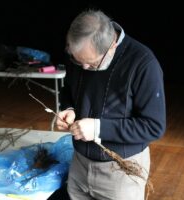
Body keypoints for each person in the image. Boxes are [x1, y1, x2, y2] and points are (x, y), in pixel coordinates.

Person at [56, 9, 166, 200]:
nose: (84, 68)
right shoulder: (82, 55)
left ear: (112, 47)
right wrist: (69, 109)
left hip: (120, 171)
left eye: (91, 64)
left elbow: (154, 126)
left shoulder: (143, 64)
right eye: (77, 60)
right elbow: (68, 89)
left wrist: (98, 128)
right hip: (80, 164)